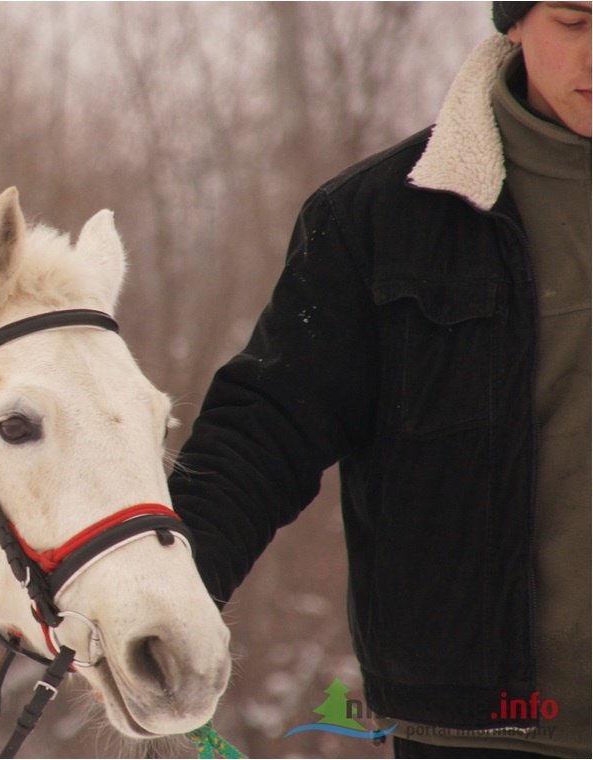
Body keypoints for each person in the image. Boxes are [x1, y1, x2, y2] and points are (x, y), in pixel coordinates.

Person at [168, 2, 589, 757]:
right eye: (575, 21)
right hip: (482, 727)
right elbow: (267, 428)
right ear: (516, 23)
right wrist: (158, 595)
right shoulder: (378, 220)